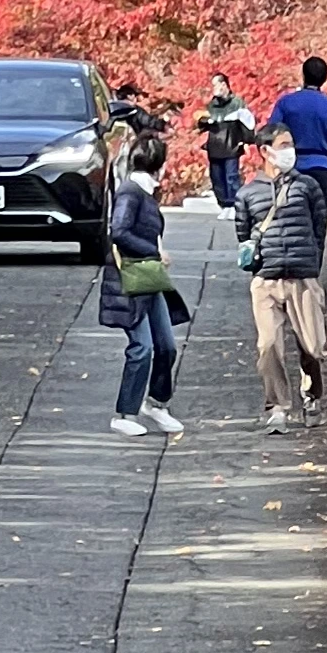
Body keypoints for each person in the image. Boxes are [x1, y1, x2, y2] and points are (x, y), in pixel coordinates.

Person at [238, 123, 327, 426]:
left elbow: (319, 229)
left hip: (302, 277)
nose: (290, 150)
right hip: (266, 279)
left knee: (312, 347)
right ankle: (277, 406)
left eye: (291, 144)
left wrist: (311, 266)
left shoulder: (307, 186)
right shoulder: (248, 194)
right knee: (268, 345)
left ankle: (312, 394)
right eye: (284, 144)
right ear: (265, 151)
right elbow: (244, 238)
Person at [99, 139, 184, 437]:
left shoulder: (143, 192)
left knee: (167, 346)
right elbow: (119, 232)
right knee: (142, 347)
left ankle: (157, 403)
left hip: (148, 278)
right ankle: (126, 411)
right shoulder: (130, 194)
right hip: (130, 280)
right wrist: (153, 251)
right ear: (157, 164)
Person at [263, 52, 327, 190]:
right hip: (323, 168)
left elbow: (271, 133)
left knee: (294, 209)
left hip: (292, 166)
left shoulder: (285, 102)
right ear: (324, 79)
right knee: (320, 210)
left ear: (303, 75)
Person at [198, 75, 254, 211]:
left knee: (231, 177)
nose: (213, 89)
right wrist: (204, 122)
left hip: (232, 145)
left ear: (224, 85)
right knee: (216, 177)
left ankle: (234, 205)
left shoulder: (237, 104)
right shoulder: (211, 105)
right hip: (214, 144)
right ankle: (224, 205)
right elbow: (201, 124)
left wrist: (246, 141)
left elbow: (249, 124)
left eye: (215, 85)